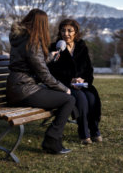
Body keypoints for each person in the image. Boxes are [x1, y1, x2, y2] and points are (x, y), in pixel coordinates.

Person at [6, 9, 79, 154]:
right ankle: (52, 140)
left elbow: (30, 62)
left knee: (67, 99)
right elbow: (44, 75)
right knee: (68, 99)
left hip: (17, 88)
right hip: (24, 90)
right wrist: (64, 88)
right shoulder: (32, 41)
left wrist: (50, 57)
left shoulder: (20, 38)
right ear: (41, 24)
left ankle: (57, 136)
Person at [48, 19, 102, 145]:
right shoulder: (55, 48)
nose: (66, 34)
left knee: (92, 98)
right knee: (81, 98)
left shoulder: (81, 47)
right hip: (64, 85)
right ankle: (84, 134)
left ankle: (94, 131)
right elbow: (52, 72)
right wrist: (69, 80)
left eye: (69, 31)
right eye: (63, 30)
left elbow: (89, 70)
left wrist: (83, 79)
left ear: (76, 32)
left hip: (81, 84)